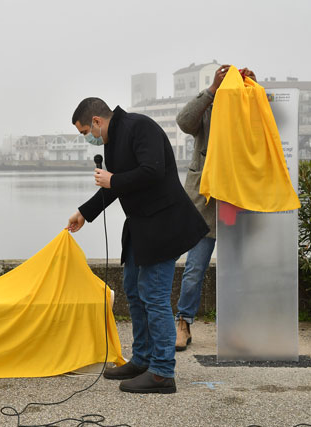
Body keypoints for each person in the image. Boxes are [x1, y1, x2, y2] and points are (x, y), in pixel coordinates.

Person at [66, 98, 209, 394]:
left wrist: (113, 178)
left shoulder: (139, 127)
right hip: (140, 226)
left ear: (96, 121)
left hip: (163, 224)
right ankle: (142, 359)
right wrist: (84, 213)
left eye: (85, 133)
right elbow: (115, 187)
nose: (88, 139)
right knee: (133, 289)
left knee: (154, 296)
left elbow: (152, 171)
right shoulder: (112, 139)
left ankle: (161, 372)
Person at [174, 65, 257, 351]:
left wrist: (253, 91)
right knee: (195, 268)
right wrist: (211, 90)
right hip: (204, 203)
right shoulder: (207, 112)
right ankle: (183, 323)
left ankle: (232, 328)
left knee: (236, 269)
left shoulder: (247, 112)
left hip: (236, 200)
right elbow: (183, 121)